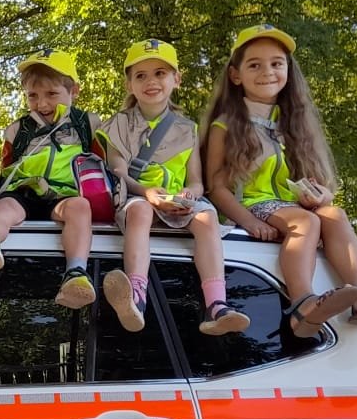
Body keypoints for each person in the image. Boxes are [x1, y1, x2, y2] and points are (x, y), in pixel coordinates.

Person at [202, 23, 357, 335]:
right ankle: (303, 303)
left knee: (333, 214)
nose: (268, 72)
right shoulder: (225, 127)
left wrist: (321, 197)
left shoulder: (293, 126)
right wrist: (249, 222)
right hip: (254, 206)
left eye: (277, 64)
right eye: (255, 65)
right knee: (307, 223)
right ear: (236, 75)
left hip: (293, 207)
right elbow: (217, 187)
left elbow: (319, 184)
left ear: (288, 70)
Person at [98, 39, 249, 336]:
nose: (151, 81)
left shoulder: (188, 129)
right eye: (140, 75)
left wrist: (188, 195)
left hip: (177, 201)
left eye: (160, 73)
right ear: (129, 84)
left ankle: (217, 305)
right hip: (137, 197)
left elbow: (196, 180)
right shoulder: (116, 125)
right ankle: (137, 295)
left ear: (176, 79)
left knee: (207, 218)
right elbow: (118, 173)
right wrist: (148, 193)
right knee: (140, 212)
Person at [0, 49, 99, 305]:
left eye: (52, 94)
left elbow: (103, 166)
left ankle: (75, 273)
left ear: (74, 91)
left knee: (81, 208)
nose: (42, 104)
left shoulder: (89, 124)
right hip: (23, 191)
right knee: (4, 208)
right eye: (33, 96)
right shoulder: (17, 130)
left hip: (64, 194)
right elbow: (6, 170)